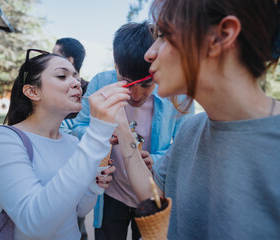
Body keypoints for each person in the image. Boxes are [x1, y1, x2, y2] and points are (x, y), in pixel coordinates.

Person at [114, 0, 280, 239]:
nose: (150, 53)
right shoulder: (190, 129)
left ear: (222, 35)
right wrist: (122, 127)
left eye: (165, 35)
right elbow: (152, 194)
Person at [0, 50, 130, 240]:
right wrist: (98, 129)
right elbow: (34, 224)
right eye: (62, 76)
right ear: (32, 91)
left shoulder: (72, 142)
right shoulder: (3, 140)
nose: (77, 83)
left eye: (76, 76)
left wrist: (94, 185)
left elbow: (79, 210)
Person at [72, 21, 194, 240]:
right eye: (127, 84)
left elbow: (184, 147)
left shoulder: (178, 96)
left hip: (153, 195)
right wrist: (98, 135)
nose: (136, 95)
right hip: (111, 194)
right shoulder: (101, 82)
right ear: (116, 66)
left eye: (146, 85)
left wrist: (156, 160)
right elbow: (75, 128)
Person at [53, 37, 89, 239]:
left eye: (55, 54)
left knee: (76, 220)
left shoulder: (88, 90)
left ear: (70, 60)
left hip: (77, 171)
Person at [53, 37, 89, 134]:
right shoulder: (51, 88)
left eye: (55, 55)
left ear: (69, 60)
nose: (50, 59)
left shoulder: (91, 92)